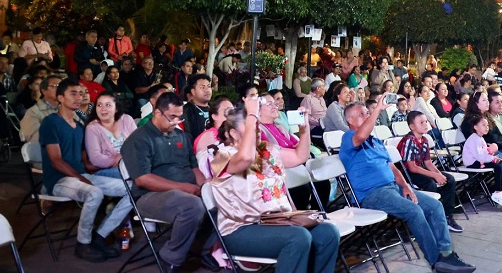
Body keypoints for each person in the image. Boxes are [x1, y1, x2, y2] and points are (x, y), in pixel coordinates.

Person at [339, 97, 477, 272]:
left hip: (393, 188)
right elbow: (360, 136)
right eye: (362, 114)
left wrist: (405, 185)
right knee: (414, 211)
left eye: (367, 112)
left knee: (435, 206)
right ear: (350, 120)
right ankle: (436, 262)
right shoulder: (348, 138)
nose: (367, 115)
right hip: (372, 194)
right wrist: (377, 111)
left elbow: (393, 168)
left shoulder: (375, 141)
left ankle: (446, 254)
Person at [210, 97, 340, 272]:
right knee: (298, 238)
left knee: (327, 233)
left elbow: (299, 157)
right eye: (252, 125)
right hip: (240, 229)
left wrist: (304, 129)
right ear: (233, 133)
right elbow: (246, 158)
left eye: (257, 125)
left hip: (277, 222)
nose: (257, 129)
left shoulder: (266, 149)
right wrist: (252, 114)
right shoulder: (223, 155)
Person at [121, 92, 219, 271]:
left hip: (186, 191)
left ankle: (202, 249)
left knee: (222, 197)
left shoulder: (181, 136)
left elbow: (193, 167)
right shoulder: (139, 139)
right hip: (149, 196)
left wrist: (205, 185)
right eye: (172, 117)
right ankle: (171, 258)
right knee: (192, 205)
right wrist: (184, 188)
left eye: (179, 117)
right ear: (157, 113)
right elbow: (143, 179)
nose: (176, 121)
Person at [39, 78, 132, 262]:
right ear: (60, 98)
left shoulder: (79, 125)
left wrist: (106, 165)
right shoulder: (50, 123)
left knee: (132, 189)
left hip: (80, 176)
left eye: (81, 93)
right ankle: (83, 243)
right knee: (95, 192)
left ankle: (99, 235)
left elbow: (86, 162)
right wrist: (83, 178)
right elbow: (56, 161)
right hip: (58, 180)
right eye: (73, 93)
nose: (79, 97)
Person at [397, 111, 463, 232]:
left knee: (449, 180)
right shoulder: (409, 141)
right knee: (430, 184)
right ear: (412, 126)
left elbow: (428, 163)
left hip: (420, 169)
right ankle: (428, 219)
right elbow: (412, 167)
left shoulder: (425, 140)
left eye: (426, 122)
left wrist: (439, 174)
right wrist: (434, 175)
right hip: (406, 173)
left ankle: (447, 216)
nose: (425, 124)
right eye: (421, 123)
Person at [461, 114, 502, 208]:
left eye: (487, 125)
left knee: (500, 163)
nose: (487, 127)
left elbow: (484, 153)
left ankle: (500, 191)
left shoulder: (480, 138)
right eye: (483, 125)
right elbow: (480, 157)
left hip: (478, 161)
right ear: (475, 127)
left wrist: (493, 157)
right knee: (498, 166)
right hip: (472, 163)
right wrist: (492, 159)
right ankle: (497, 192)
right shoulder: (474, 139)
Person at [84, 91, 137, 178]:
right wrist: (117, 161)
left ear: (116, 108)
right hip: (107, 170)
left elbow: (138, 144)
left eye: (108, 105)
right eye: (99, 105)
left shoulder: (126, 119)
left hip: (132, 164)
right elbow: (96, 158)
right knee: (135, 171)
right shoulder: (92, 128)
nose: (103, 109)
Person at [20, 74, 62, 143]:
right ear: (43, 90)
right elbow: (35, 138)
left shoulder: (67, 109)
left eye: (62, 86)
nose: (60, 89)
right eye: (55, 86)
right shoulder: (33, 112)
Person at [183, 74, 213, 140]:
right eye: (202, 87)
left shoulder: (215, 108)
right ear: (193, 91)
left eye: (209, 86)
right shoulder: (186, 111)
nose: (207, 90)